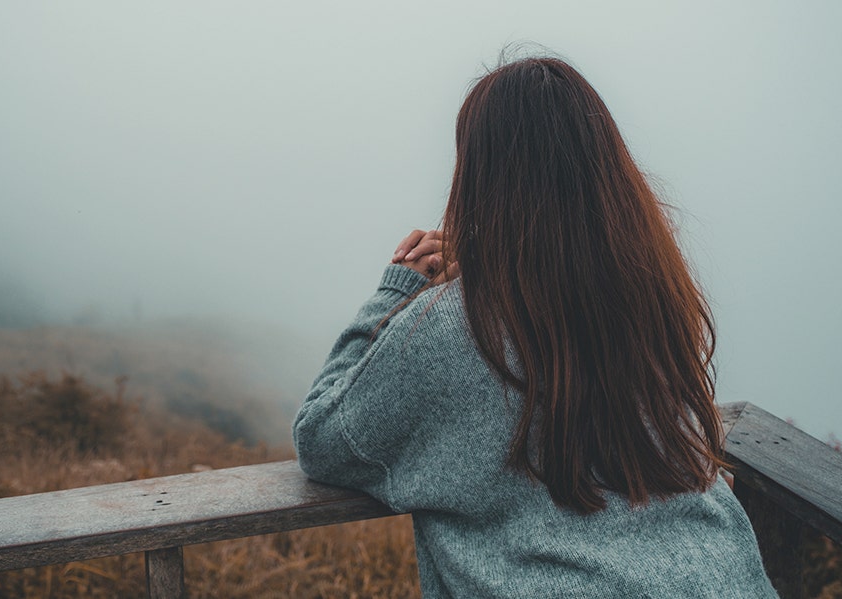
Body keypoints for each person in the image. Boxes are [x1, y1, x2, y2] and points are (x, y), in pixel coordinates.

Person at [292, 56, 778, 598]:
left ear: (481, 177)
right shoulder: (649, 291)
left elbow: (323, 440)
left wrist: (396, 292)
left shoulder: (454, 326)